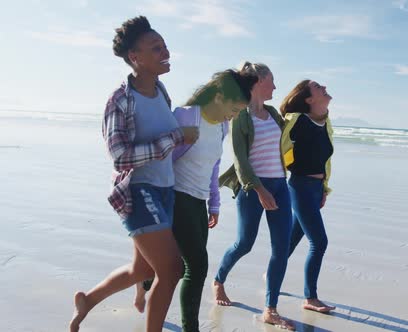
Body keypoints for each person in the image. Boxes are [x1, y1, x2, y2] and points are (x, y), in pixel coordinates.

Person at [68, 16, 198, 332]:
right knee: (170, 269)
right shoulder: (120, 99)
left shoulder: (162, 91)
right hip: (139, 191)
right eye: (156, 48)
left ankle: (89, 299)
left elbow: (165, 148)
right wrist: (177, 137)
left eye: (165, 46)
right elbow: (121, 156)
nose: (165, 52)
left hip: (165, 190)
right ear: (135, 57)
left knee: (141, 270)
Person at [134, 69, 258, 331]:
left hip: (199, 201)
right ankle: (190, 327)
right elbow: (164, 156)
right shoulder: (186, 115)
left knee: (176, 262)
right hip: (177, 196)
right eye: (234, 109)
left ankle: (146, 281)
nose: (234, 116)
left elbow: (213, 166)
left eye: (238, 113)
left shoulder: (223, 126)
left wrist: (214, 203)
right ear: (220, 96)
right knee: (197, 265)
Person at [214, 62, 295, 330]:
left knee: (281, 249)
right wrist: (259, 189)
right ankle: (218, 280)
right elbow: (239, 159)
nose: (275, 86)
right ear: (259, 81)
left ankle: (270, 309)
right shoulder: (240, 116)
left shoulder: (273, 114)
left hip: (280, 186)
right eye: (272, 80)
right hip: (252, 188)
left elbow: (288, 144)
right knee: (244, 243)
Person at [280, 80, 336, 313]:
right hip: (300, 187)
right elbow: (277, 148)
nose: (323, 86)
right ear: (309, 99)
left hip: (315, 189)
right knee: (319, 242)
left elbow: (325, 159)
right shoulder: (297, 121)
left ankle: (273, 272)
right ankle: (310, 298)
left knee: (291, 239)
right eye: (316, 86)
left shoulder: (325, 123)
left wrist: (324, 187)